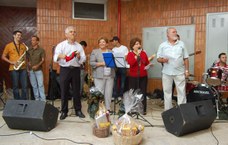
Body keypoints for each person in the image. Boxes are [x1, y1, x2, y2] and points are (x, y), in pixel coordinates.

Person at [53, 26, 86, 120]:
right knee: (64, 91)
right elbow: (55, 58)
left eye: (74, 32)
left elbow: (83, 59)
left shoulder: (79, 46)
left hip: (76, 70)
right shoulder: (61, 45)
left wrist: (79, 57)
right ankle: (64, 111)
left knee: (76, 91)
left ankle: (78, 110)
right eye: (71, 32)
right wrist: (60, 56)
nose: (73, 33)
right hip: (65, 69)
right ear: (66, 34)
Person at [157, 27, 189, 111]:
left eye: (176, 32)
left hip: (179, 72)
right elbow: (158, 59)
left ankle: (182, 111)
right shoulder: (162, 45)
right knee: (167, 92)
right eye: (173, 32)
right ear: (168, 35)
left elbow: (186, 58)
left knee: (181, 92)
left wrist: (186, 70)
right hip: (166, 72)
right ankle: (168, 111)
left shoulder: (182, 44)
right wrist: (163, 60)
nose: (175, 33)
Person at [90, 37, 115, 113]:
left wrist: (112, 64)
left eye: (103, 42)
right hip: (99, 75)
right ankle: (99, 109)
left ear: (107, 44)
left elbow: (115, 63)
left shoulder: (111, 52)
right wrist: (102, 63)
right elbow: (91, 63)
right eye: (100, 42)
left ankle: (108, 109)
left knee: (109, 93)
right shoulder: (95, 52)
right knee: (100, 93)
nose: (101, 43)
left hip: (110, 75)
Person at [1, 30, 27, 100]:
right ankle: (17, 102)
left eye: (20, 35)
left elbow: (24, 56)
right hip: (13, 68)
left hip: (23, 68)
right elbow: (3, 57)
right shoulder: (8, 45)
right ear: (14, 36)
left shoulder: (23, 46)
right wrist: (11, 62)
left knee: (24, 86)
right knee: (15, 86)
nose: (19, 37)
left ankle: (24, 101)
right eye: (18, 35)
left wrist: (25, 63)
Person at [126, 37, 150, 115]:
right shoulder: (130, 54)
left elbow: (146, 62)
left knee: (143, 92)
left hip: (143, 75)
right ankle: (133, 108)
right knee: (133, 92)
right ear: (132, 46)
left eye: (139, 44)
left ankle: (143, 109)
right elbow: (131, 63)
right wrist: (136, 57)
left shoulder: (143, 53)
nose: (138, 45)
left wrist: (149, 64)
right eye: (136, 44)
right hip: (133, 76)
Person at [27, 36, 46, 101]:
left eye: (34, 40)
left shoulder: (41, 50)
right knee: (34, 86)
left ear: (37, 41)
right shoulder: (29, 50)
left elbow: (43, 60)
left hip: (38, 71)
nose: (32, 41)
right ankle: (37, 99)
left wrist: (37, 66)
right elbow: (27, 60)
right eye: (31, 40)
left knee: (40, 85)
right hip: (31, 71)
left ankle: (43, 100)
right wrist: (28, 64)